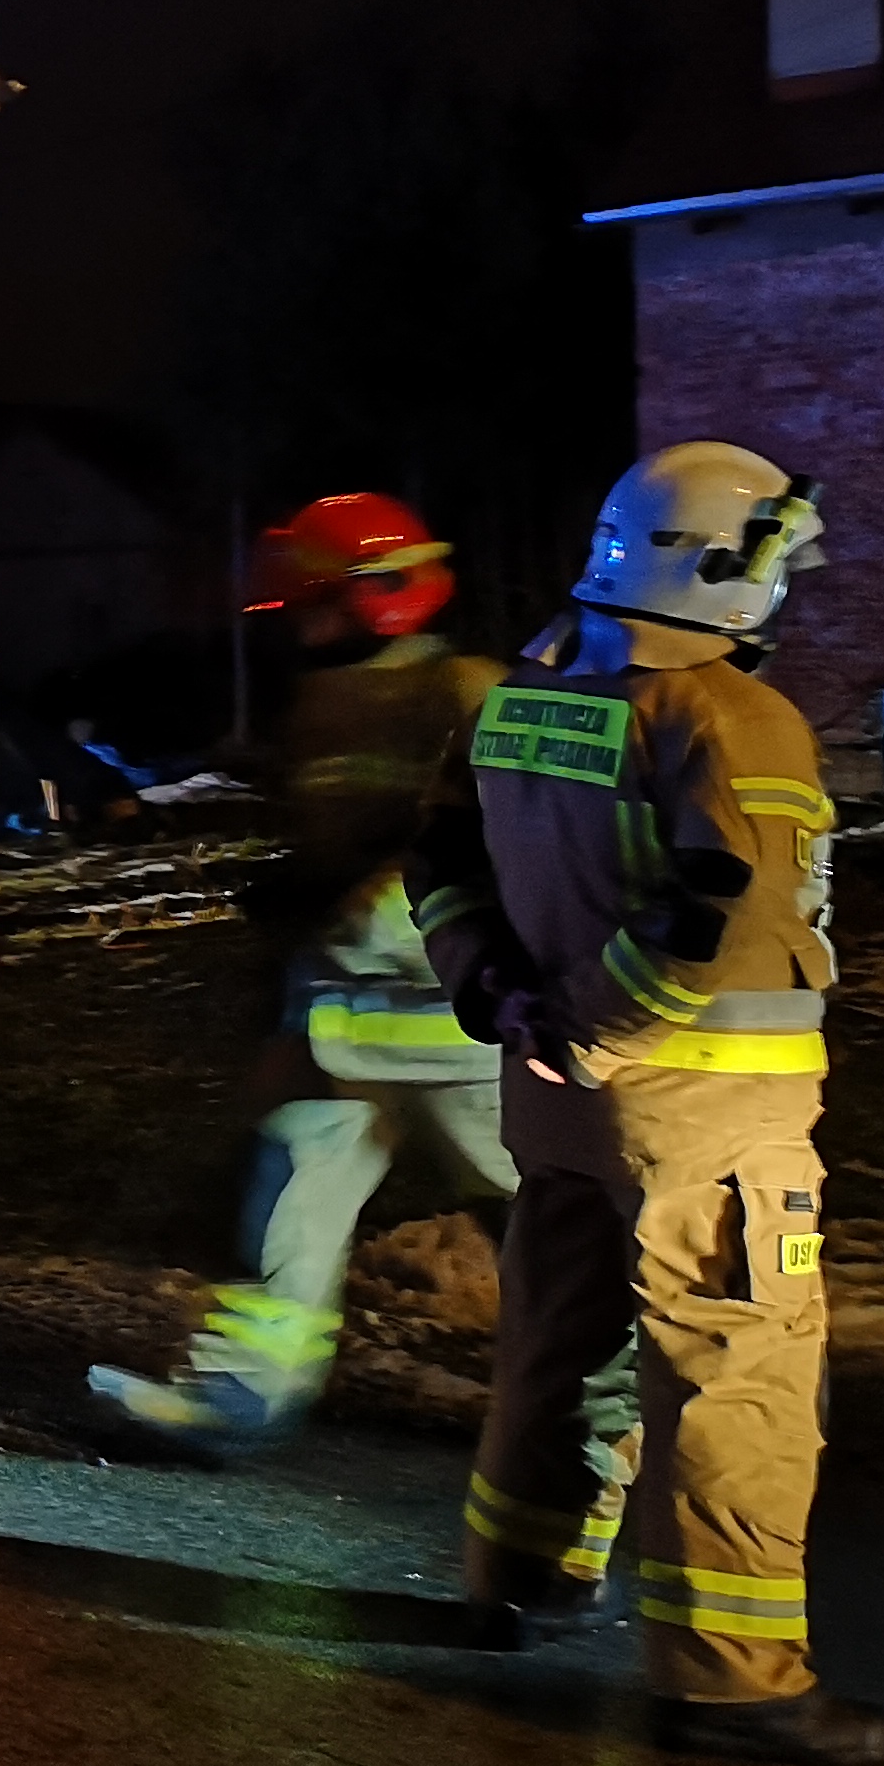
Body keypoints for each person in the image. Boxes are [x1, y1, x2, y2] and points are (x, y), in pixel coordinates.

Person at [411, 442, 884, 1766]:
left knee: (558, 1343)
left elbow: (443, 860)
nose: (788, 584)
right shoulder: (733, 718)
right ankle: (734, 1682)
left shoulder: (520, 692)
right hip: (701, 1114)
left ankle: (518, 1579)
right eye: (776, 557)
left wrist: (502, 999)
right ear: (715, 563)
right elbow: (716, 926)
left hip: (558, 1105)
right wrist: (594, 1028)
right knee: (736, 1373)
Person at [89, 494, 527, 1448]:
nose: (297, 623)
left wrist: (379, 908)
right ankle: (240, 1398)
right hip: (337, 1022)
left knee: (546, 1213)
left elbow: (496, 842)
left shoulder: (470, 690)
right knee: (287, 1213)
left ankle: (644, 1398)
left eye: (311, 603)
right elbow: (315, 832)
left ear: (371, 597)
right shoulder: (326, 701)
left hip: (454, 1025)